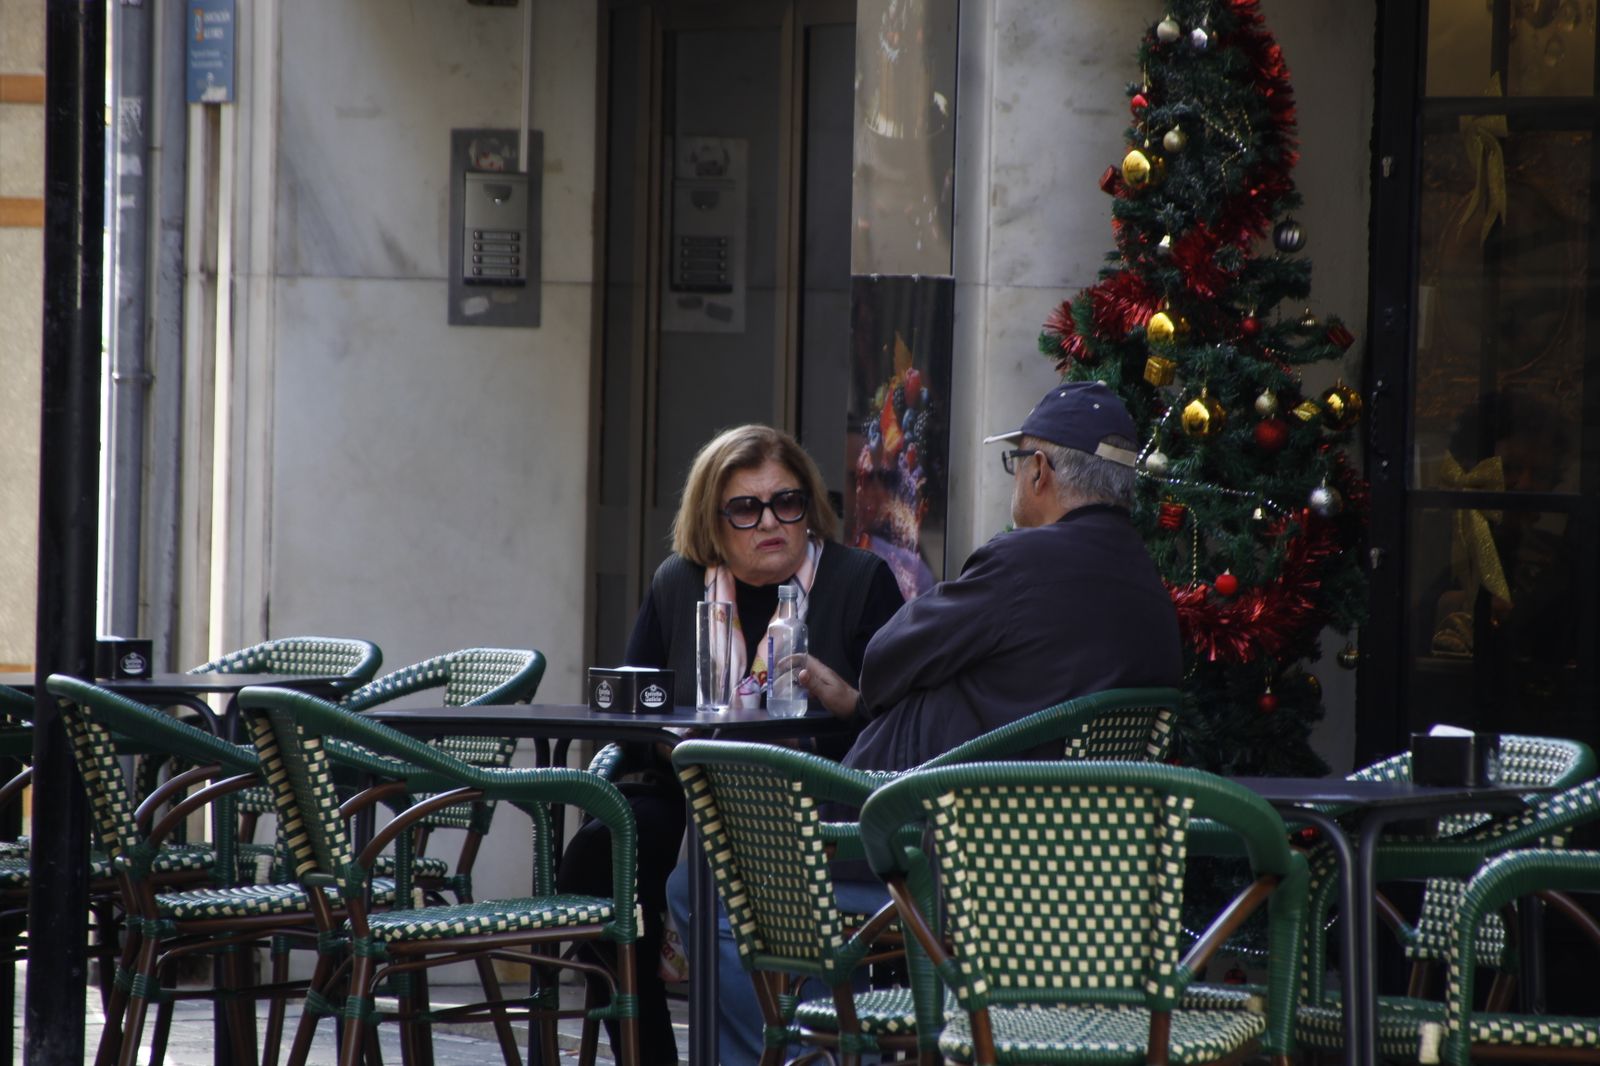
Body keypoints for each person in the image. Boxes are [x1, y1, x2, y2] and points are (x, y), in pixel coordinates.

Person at [672, 380, 1183, 1063]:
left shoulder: (1025, 562)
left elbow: (884, 660)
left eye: (1018, 461)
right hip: (1052, 858)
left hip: (924, 841)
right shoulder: (1147, 584)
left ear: (1039, 469)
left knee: (709, 869)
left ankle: (798, 1055)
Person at [556, 424, 903, 1066]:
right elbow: (639, 713)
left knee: (707, 881)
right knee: (599, 864)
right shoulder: (679, 583)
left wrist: (844, 698)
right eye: (746, 508)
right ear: (712, 521)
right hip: (695, 791)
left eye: (787, 502)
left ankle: (780, 1051)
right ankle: (651, 1051)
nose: (770, 521)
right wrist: (679, 748)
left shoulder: (860, 580)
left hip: (824, 794)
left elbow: (897, 722)